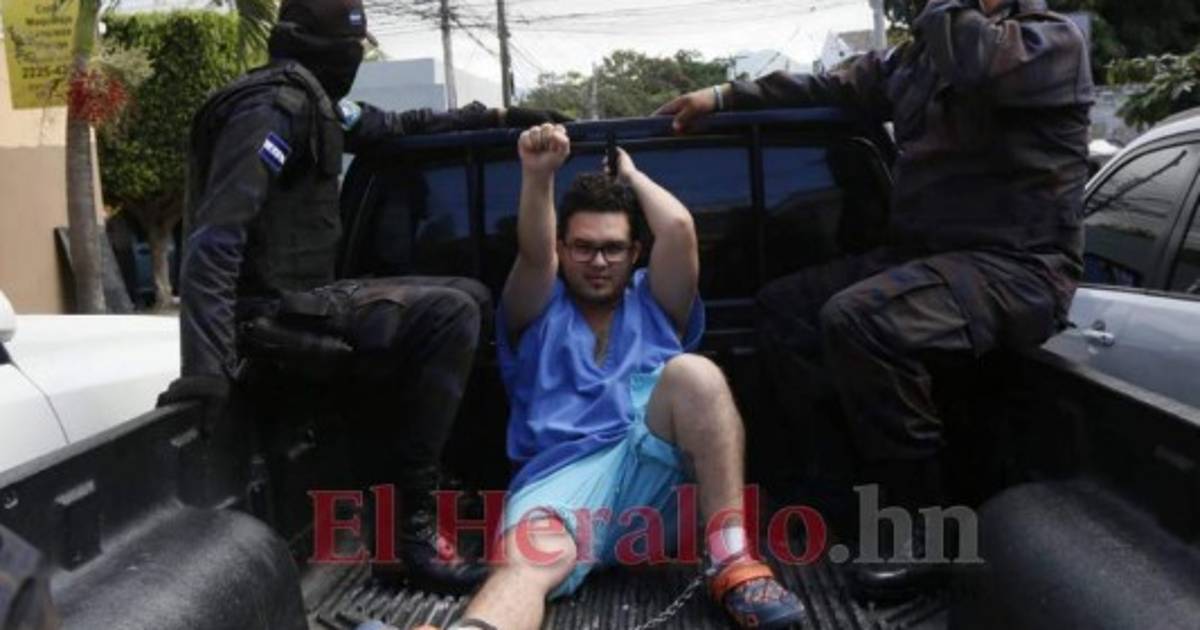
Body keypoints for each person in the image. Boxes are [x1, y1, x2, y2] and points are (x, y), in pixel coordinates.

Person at [657, 0, 1093, 600]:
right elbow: (835, 84)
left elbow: (974, 62)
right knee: (785, 308)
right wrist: (723, 95)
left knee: (862, 319)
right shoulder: (921, 57)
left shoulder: (1049, 45)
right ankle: (838, 496)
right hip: (926, 259)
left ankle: (924, 527)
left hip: (1017, 265)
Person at [156, 0, 567, 594]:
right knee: (449, 313)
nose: (352, 60)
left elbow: (391, 128)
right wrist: (207, 371)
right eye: (348, 49)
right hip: (265, 318)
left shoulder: (314, 101)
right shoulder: (271, 109)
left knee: (471, 296)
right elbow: (215, 240)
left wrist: (498, 115)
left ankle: (418, 490)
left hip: (303, 303)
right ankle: (408, 535)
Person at [436, 124, 806, 630]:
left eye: (613, 248)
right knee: (525, 566)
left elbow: (678, 228)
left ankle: (732, 562)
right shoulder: (535, 308)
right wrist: (538, 175)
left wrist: (630, 177)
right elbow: (535, 255)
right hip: (561, 487)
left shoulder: (656, 303)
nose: (598, 261)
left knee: (695, 374)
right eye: (583, 247)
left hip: (660, 496)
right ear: (563, 249)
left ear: (634, 253)